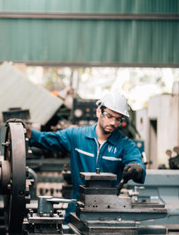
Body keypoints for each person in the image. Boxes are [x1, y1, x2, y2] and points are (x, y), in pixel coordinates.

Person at [27, 91, 146, 223]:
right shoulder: (76, 136)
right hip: (76, 206)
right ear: (98, 112)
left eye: (118, 119)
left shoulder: (125, 144)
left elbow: (136, 162)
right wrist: (29, 133)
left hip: (110, 210)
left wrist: (137, 169)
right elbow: (48, 139)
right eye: (109, 116)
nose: (113, 122)